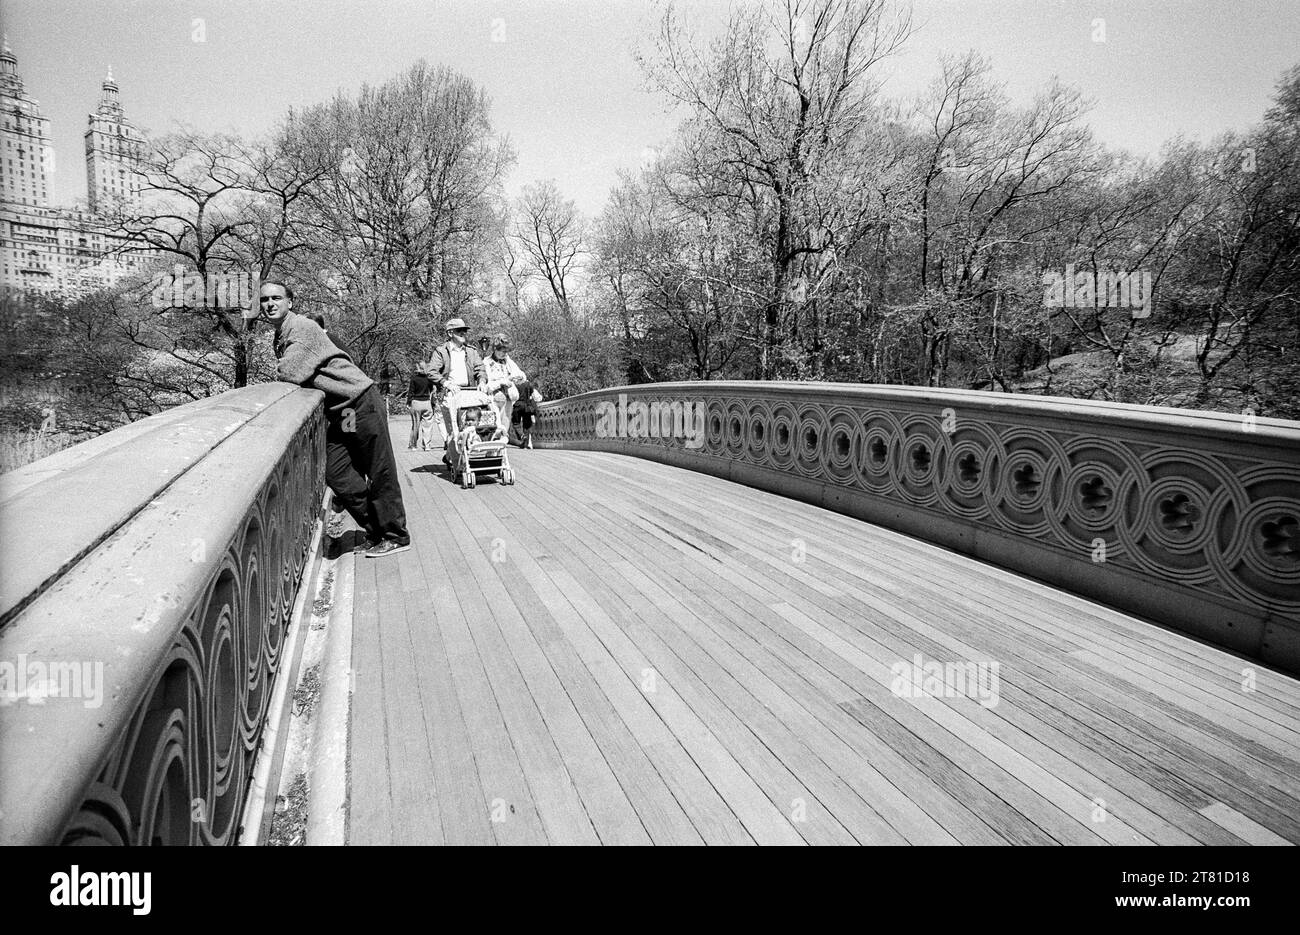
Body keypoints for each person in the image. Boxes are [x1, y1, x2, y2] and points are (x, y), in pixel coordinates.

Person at [257, 281, 410, 559]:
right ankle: (375, 529)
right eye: (264, 299)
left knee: (378, 470)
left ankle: (395, 535)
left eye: (276, 298)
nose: (269, 304)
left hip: (359, 401)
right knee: (337, 474)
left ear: (290, 302)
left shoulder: (302, 327)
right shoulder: (281, 334)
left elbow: (290, 371)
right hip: (339, 410)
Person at [424, 317, 486, 471]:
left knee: (472, 427)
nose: (464, 333)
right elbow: (431, 371)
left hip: (469, 394)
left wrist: (482, 381)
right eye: (460, 330)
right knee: (454, 430)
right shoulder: (441, 351)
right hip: (450, 394)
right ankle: (459, 465)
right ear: (450, 333)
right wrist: (446, 383)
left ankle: (453, 456)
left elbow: (480, 368)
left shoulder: (471, 351)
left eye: (465, 330)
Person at [482, 333, 527, 435]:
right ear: (495, 349)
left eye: (506, 351)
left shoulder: (507, 361)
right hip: (494, 399)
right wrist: (501, 382)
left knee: (505, 427)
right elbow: (487, 386)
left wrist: (518, 377)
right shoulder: (487, 362)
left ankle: (502, 447)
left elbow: (520, 373)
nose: (504, 354)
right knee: (497, 426)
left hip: (508, 398)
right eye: (502, 351)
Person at [406, 363, 437, 451]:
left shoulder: (414, 379)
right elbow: (432, 390)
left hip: (416, 402)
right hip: (427, 402)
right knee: (428, 425)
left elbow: (411, 392)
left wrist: (408, 403)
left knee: (415, 425)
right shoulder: (429, 379)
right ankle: (427, 445)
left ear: (418, 368)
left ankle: (413, 445)